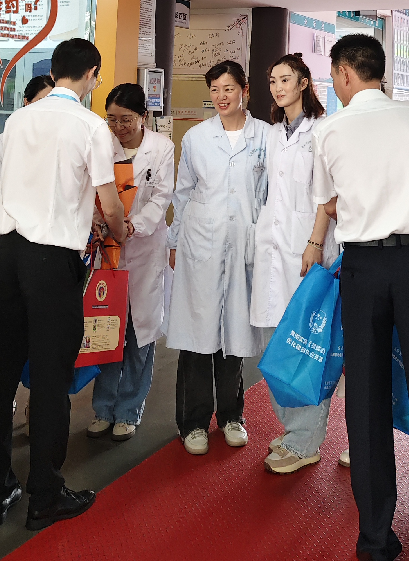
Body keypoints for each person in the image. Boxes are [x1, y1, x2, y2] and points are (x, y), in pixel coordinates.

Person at [312, 34, 409, 561]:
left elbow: (328, 201)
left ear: (345, 73)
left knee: (367, 400)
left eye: (335, 75)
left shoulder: (330, 129)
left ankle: (376, 540)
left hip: (363, 268)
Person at [0, 38, 125, 531]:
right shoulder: (90, 126)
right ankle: (44, 494)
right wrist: (118, 230)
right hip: (52, 263)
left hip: (8, 255)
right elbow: (109, 201)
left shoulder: (19, 120)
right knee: (49, 377)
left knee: (0, 375)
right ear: (93, 74)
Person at [166, 60, 269, 456]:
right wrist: (175, 241)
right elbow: (183, 193)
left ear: (245, 89)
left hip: (243, 241)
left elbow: (268, 194)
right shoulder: (196, 137)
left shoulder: (264, 136)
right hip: (201, 242)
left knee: (234, 333)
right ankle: (192, 422)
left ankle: (231, 416)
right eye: (215, 90)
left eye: (229, 88)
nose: (222, 97)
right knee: (197, 334)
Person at [250, 53, 340, 474]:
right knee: (275, 342)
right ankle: (291, 430)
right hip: (271, 249)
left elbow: (327, 196)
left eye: (285, 79)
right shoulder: (271, 134)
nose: (278, 87)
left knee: (304, 345)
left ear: (304, 82)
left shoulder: (322, 131)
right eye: (273, 81)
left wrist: (314, 242)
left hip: (307, 249)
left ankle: (305, 441)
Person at [85, 83, 175, 441]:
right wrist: (98, 222)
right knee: (108, 329)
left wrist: (133, 225)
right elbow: (89, 190)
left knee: (139, 334)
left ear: (143, 116)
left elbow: (162, 196)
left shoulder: (162, 148)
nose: (119, 127)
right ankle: (103, 408)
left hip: (145, 247)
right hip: (108, 249)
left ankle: (129, 410)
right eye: (112, 119)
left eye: (126, 119)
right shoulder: (101, 145)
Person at [0, 75, 54, 268]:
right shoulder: (3, 142)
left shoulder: (61, 144)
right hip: (8, 238)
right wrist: (15, 223)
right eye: (41, 102)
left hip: (50, 242)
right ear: (27, 102)